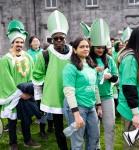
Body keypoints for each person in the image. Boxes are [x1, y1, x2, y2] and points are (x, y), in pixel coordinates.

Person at [32, 10, 72, 150]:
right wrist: (47, 84)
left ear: (65, 38)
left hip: (72, 96)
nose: (59, 41)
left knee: (76, 125)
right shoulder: (45, 54)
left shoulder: (73, 53)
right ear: (51, 39)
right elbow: (36, 75)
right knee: (59, 128)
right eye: (56, 39)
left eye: (61, 38)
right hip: (54, 97)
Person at [0, 20, 41, 150]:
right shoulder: (5, 60)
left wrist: (29, 92)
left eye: (21, 42)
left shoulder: (28, 57)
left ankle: (27, 139)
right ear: (12, 43)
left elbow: (32, 75)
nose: (19, 44)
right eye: (17, 42)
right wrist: (19, 93)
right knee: (12, 121)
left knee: (26, 119)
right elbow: (6, 79)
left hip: (27, 94)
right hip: (13, 95)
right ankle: (13, 143)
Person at [63, 37, 102, 150]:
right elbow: (69, 92)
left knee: (94, 137)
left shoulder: (91, 66)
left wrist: (98, 105)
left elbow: (95, 87)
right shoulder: (70, 68)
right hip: (77, 107)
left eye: (87, 46)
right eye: (82, 47)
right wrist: (76, 114)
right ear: (75, 50)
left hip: (91, 107)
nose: (85, 49)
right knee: (78, 142)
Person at [117, 27, 139, 150]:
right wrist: (136, 114)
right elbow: (128, 88)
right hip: (134, 112)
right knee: (135, 146)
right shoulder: (131, 59)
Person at [89, 18, 118, 150]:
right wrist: (93, 71)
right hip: (91, 98)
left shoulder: (110, 59)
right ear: (92, 47)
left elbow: (117, 79)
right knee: (94, 128)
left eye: (102, 47)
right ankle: (97, 147)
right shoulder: (88, 60)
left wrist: (111, 77)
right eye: (97, 47)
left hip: (107, 96)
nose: (100, 50)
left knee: (110, 126)